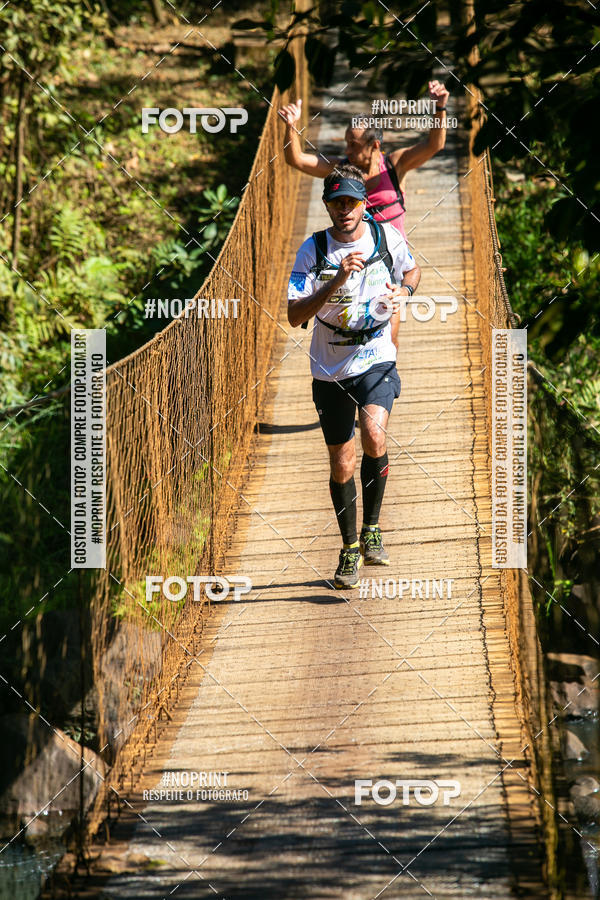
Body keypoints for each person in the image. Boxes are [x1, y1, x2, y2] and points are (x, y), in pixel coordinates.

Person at [287, 164, 421, 589]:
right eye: (336, 203)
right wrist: (337, 280)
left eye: (351, 202)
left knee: (374, 435)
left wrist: (405, 292)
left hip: (377, 352)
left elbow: (412, 270)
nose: (344, 210)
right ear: (327, 206)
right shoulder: (313, 251)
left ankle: (372, 528)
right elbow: (294, 315)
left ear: (364, 204)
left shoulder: (385, 237)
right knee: (342, 461)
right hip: (330, 366)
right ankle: (349, 548)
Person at [278, 81, 449, 241]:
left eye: (354, 145)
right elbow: (296, 160)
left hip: (394, 255)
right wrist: (291, 127)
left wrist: (439, 108)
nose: (347, 150)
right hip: (359, 258)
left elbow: (435, 145)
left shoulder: (395, 165)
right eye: (347, 143)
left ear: (374, 145)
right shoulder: (341, 170)